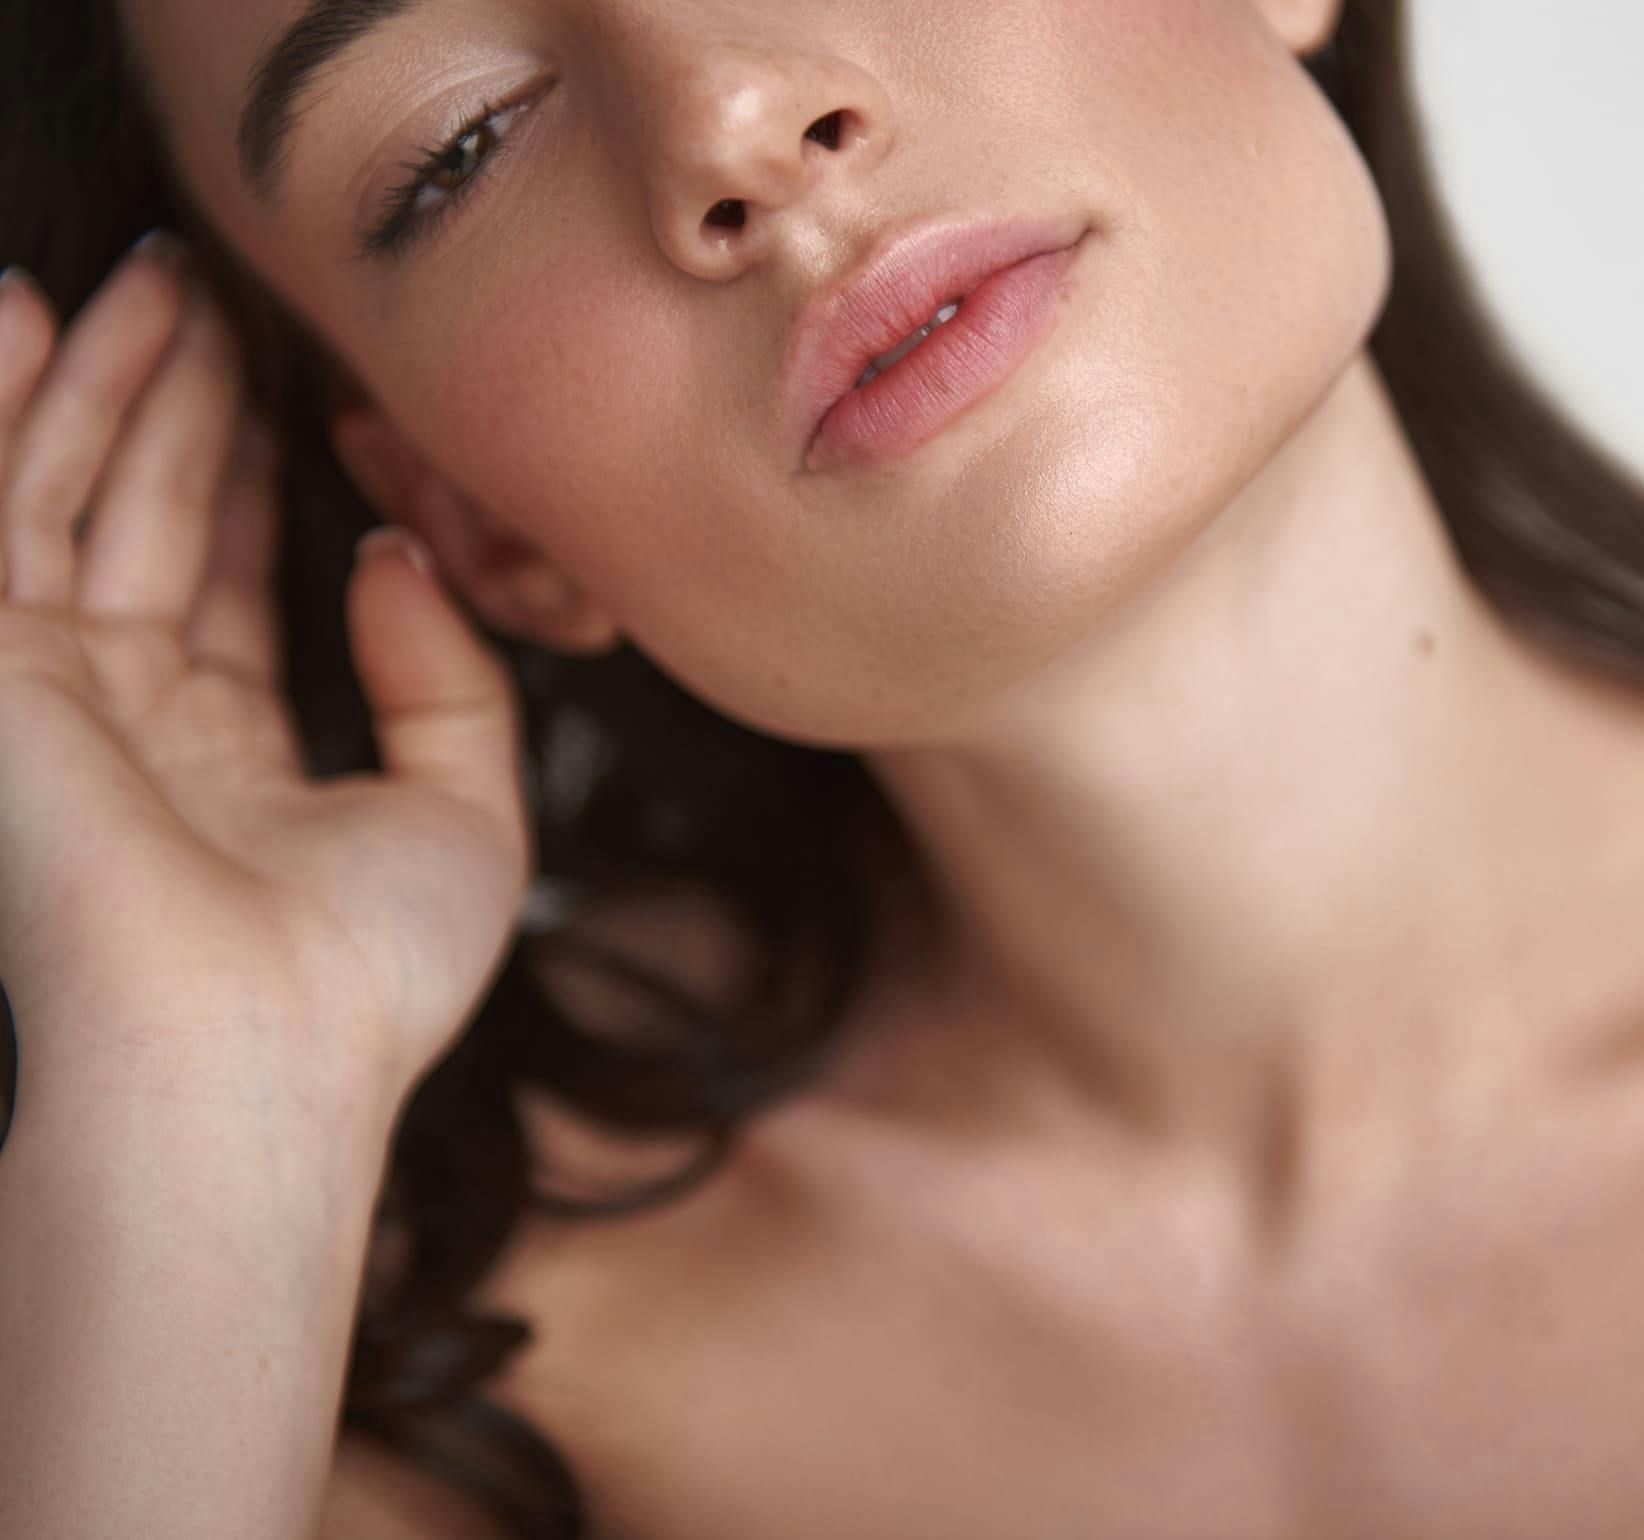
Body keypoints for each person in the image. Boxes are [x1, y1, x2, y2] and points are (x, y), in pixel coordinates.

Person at [4, 0, 1644, 1534]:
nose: (729, 116)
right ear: (474, 524)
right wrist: (196, 1114)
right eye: (463, 142)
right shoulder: (423, 1408)